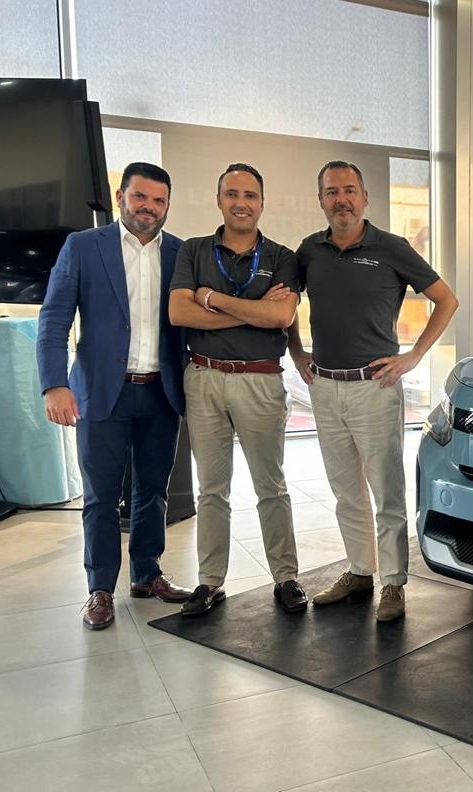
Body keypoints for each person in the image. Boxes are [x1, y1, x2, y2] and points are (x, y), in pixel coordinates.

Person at [288, 161, 457, 621]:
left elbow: (446, 300)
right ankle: (360, 572)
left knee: (386, 491)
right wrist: (296, 351)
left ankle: (393, 583)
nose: (340, 199)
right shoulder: (309, 251)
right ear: (321, 199)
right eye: (331, 192)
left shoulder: (391, 248)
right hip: (324, 386)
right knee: (345, 490)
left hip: (374, 387)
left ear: (365, 197)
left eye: (349, 190)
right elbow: (283, 304)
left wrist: (414, 357)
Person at [37, 162, 193, 630]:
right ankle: (100, 588)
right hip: (100, 393)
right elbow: (54, 319)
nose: (150, 208)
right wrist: (54, 383)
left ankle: (146, 573)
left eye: (159, 201)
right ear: (121, 196)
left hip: (160, 393)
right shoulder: (84, 247)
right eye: (141, 197)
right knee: (101, 497)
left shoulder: (181, 253)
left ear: (168, 205)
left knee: (153, 491)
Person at [168, 163, 307, 616]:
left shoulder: (282, 257)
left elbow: (282, 317)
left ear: (262, 204)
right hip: (204, 378)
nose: (241, 202)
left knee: (272, 486)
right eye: (232, 194)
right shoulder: (192, 250)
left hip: (261, 380)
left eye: (250, 195)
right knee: (212, 490)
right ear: (219, 200)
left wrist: (212, 298)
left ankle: (285, 577)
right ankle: (210, 582)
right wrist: (252, 310)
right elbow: (179, 314)